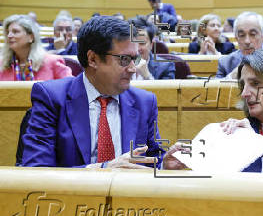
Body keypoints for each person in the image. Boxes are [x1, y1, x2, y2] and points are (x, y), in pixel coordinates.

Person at [21, 16, 166, 168]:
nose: (132, 68)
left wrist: (165, 166)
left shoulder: (144, 102)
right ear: (92, 59)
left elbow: (153, 161)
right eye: (124, 59)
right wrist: (102, 169)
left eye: (134, 59)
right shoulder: (52, 98)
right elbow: (36, 169)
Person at [0, 14, 72, 81]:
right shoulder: (2, 64)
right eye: (7, 32)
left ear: (31, 37)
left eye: (15, 32)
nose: (9, 36)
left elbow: (71, 88)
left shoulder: (52, 62)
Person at [215, 11, 263, 79]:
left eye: (253, 34)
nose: (247, 41)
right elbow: (215, 88)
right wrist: (231, 76)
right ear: (236, 38)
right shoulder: (225, 63)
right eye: (242, 35)